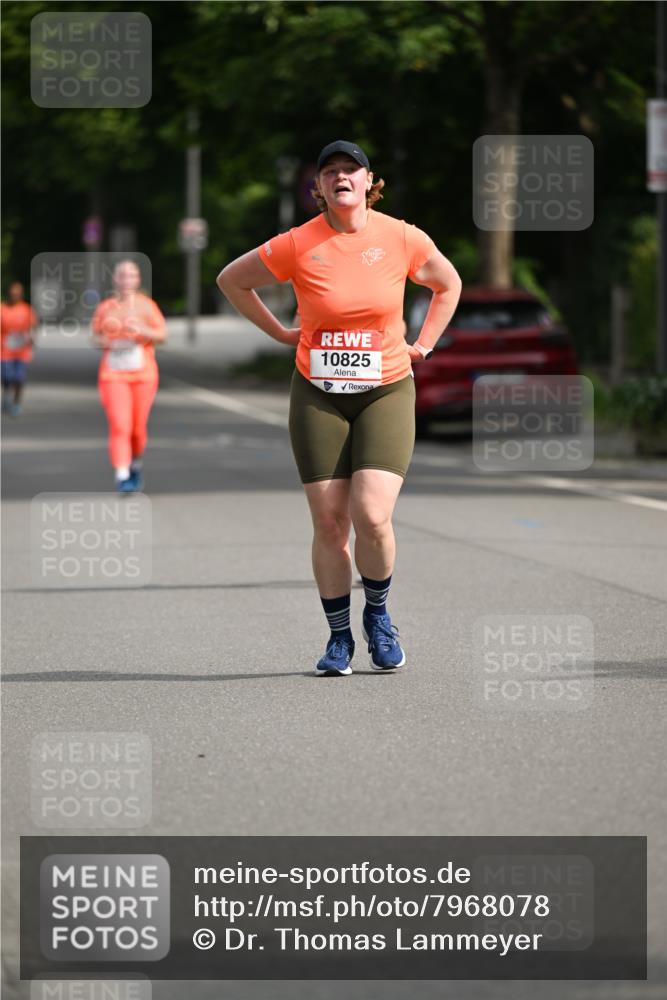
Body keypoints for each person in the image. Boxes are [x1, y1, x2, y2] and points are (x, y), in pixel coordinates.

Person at [217, 140, 462, 676]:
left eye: (350, 169)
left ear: (369, 180)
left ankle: (377, 616)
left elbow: (448, 284)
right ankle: (338, 639)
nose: (341, 177)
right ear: (320, 187)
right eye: (330, 172)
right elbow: (232, 280)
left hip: (385, 389)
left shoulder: (400, 236)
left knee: (372, 516)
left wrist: (423, 345)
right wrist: (282, 331)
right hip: (318, 393)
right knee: (330, 523)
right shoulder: (298, 243)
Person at [91, 259, 166, 493]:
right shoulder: (106, 307)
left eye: (131, 275)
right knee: (120, 425)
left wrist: (143, 331)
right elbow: (94, 336)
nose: (126, 280)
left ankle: (135, 462)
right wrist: (104, 341)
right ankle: (122, 475)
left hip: (143, 374)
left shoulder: (147, 306)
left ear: (137, 280)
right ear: (116, 280)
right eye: (122, 275)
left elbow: (162, 335)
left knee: (137, 429)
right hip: (113, 374)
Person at [1, 282, 38, 417]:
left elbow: (33, 327)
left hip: (22, 351)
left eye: (17, 293)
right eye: (12, 293)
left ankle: (16, 404)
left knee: (19, 378)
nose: (14, 295)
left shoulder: (26, 309)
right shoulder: (2, 309)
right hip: (5, 351)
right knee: (6, 377)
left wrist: (32, 341)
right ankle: (6, 396)